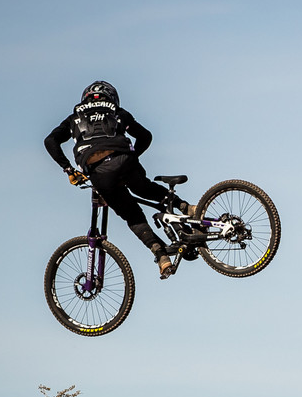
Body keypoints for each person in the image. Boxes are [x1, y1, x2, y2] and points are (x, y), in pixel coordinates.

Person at [45, 81, 192, 279]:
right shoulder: (116, 111)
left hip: (98, 172)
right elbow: (145, 136)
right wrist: (130, 159)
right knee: (144, 188)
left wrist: (68, 169)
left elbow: (50, 141)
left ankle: (161, 255)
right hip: (124, 158)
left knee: (132, 215)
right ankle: (185, 207)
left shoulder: (73, 118)